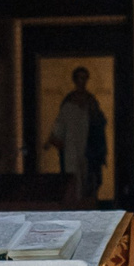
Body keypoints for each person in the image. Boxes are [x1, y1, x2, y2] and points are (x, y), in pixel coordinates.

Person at [42, 66, 107, 197]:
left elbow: (99, 123)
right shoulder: (69, 101)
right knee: (73, 177)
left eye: (84, 78)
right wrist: (53, 138)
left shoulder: (91, 101)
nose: (82, 81)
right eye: (79, 78)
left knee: (88, 178)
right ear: (75, 80)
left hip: (88, 147)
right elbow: (60, 123)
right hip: (72, 146)